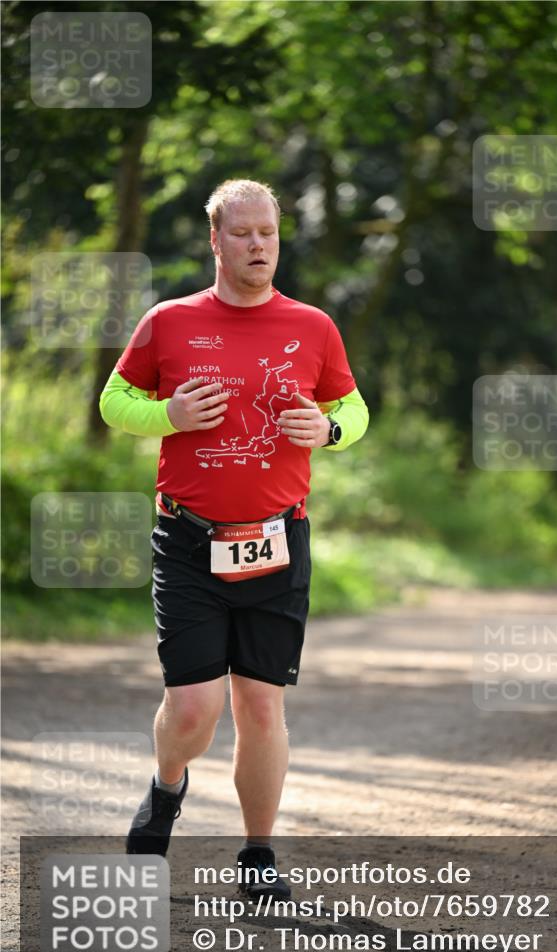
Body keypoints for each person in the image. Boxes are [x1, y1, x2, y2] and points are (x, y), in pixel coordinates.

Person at [99, 179, 368, 900]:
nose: (257, 246)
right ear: (215, 241)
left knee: (260, 704)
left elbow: (351, 408)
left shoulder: (313, 327)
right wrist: (170, 415)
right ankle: (166, 785)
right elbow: (114, 400)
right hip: (188, 540)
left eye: (268, 234)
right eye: (242, 233)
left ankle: (256, 854)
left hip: (279, 541)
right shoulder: (169, 321)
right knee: (193, 707)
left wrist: (331, 430)